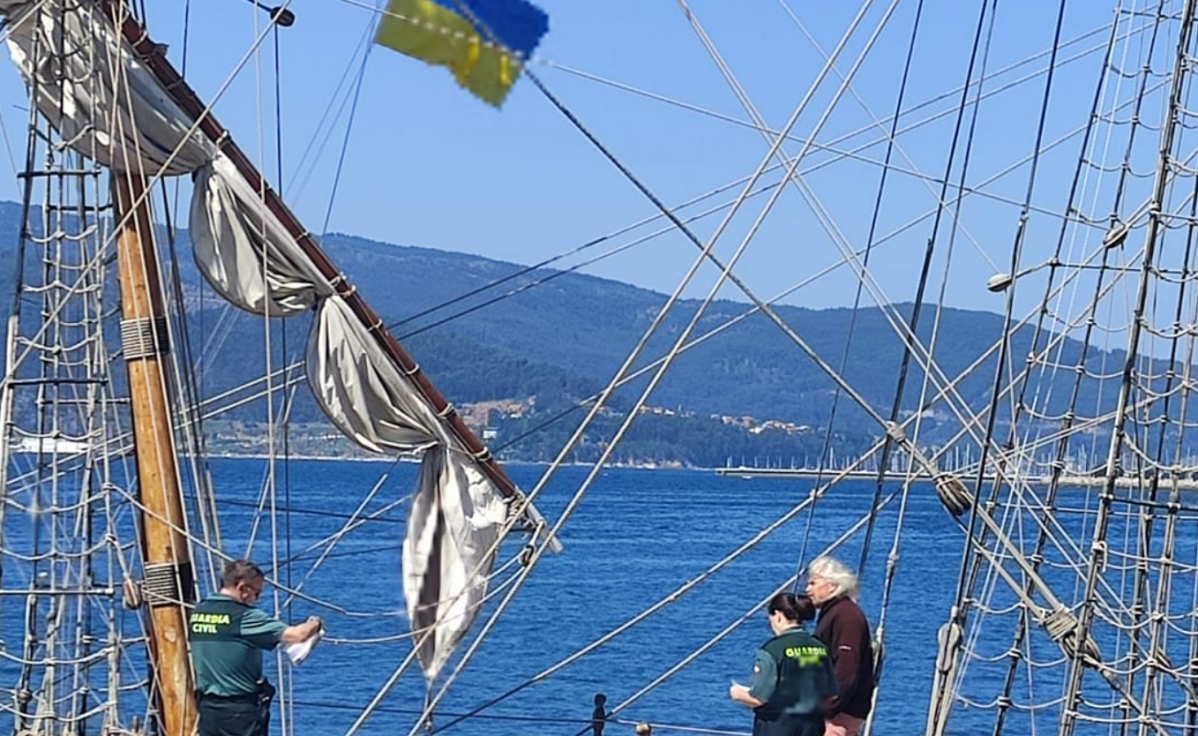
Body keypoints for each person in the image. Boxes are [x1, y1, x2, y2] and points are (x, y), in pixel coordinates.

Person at [190, 559, 323, 736]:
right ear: (243, 589)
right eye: (257, 593)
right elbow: (298, 635)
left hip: (208, 708)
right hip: (239, 710)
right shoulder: (243, 616)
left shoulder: (199, 612)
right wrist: (315, 623)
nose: (257, 599)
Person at [729, 592, 837, 736]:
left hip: (777, 726)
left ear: (778, 616)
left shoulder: (773, 650)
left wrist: (736, 693)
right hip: (812, 726)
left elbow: (759, 698)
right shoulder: (820, 648)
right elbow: (830, 695)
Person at [805, 556, 875, 736]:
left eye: (813, 583)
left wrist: (828, 706)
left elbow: (847, 666)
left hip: (839, 714)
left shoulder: (846, 616)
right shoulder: (835, 613)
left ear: (832, 586)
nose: (807, 589)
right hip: (837, 711)